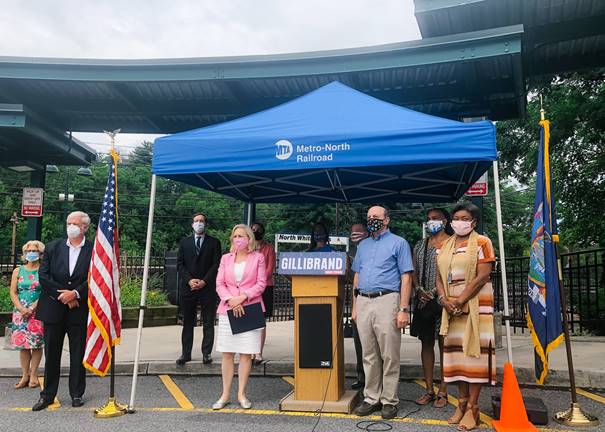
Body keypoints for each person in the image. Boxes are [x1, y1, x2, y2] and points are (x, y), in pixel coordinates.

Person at [435, 202, 496, 431]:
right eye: (456, 217)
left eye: (464, 217)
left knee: (474, 356)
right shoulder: (444, 245)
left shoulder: (483, 242)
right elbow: (439, 278)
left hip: (476, 306)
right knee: (457, 358)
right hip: (450, 307)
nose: (459, 221)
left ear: (473, 222)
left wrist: (460, 300)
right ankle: (460, 404)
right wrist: (444, 300)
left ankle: (473, 407)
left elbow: (482, 276)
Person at [351, 206, 413, 420]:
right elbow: (357, 276)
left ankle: (389, 401)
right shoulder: (363, 245)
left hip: (388, 300)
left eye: (376, 217)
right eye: (369, 217)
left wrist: (404, 309)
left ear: (386, 220)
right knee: (369, 354)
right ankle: (371, 398)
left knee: (389, 354)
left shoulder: (399, 243)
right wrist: (354, 306)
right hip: (364, 300)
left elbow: (406, 277)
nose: (372, 220)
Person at [33, 211, 94, 411]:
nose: (70, 226)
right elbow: (44, 275)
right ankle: (48, 395)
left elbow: (95, 278)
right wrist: (64, 296)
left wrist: (75, 294)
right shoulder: (52, 247)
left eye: (75, 223)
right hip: (53, 308)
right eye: (68, 223)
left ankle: (76, 393)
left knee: (78, 354)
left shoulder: (94, 250)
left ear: (84, 227)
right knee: (52, 354)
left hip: (79, 310)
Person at [213, 224, 267, 410]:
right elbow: (219, 283)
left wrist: (243, 297)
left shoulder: (258, 258)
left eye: (241, 236)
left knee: (245, 354)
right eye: (235, 236)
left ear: (249, 239)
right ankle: (225, 394)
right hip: (228, 309)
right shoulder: (225, 259)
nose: (237, 239)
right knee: (227, 354)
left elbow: (261, 284)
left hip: (250, 309)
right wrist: (231, 300)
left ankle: (241, 394)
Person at [411, 208, 453, 408]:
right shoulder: (420, 245)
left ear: (445, 221)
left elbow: (453, 273)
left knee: (445, 345)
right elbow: (413, 272)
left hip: (443, 301)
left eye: (435, 219)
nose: (431, 222)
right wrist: (419, 289)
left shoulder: (453, 243)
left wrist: (437, 293)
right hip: (422, 301)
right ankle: (429, 389)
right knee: (426, 343)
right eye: (428, 219)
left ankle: (443, 390)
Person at [176, 213, 222, 365]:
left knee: (208, 321)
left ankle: (206, 353)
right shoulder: (184, 242)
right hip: (188, 288)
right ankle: (186, 353)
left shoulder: (214, 242)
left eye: (201, 221)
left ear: (206, 224)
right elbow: (180, 264)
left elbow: (216, 265)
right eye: (196, 221)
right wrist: (189, 280)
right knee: (188, 322)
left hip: (207, 288)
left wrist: (204, 281)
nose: (199, 223)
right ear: (192, 224)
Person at [9, 240, 45, 389]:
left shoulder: (43, 270)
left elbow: (46, 291)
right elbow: (13, 292)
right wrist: (21, 308)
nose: (31, 253)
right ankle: (25, 375)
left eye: (34, 251)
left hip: (38, 311)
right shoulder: (18, 271)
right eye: (28, 250)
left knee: (36, 344)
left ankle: (34, 376)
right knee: (23, 345)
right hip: (20, 313)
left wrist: (31, 308)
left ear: (40, 253)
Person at [250, 221, 276, 365]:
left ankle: (258, 353)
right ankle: (250, 351)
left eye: (258, 229)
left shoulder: (269, 248)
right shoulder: (248, 248)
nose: (256, 231)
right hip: (249, 288)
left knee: (261, 321)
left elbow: (270, 269)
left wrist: (257, 282)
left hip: (265, 287)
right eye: (253, 229)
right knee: (251, 321)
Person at [348, 223, 368, 391]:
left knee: (373, 344)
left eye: (358, 232)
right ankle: (361, 376)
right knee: (359, 342)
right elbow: (351, 278)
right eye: (352, 232)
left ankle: (374, 379)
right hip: (357, 300)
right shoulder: (351, 252)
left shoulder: (371, 248)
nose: (354, 235)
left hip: (373, 298)